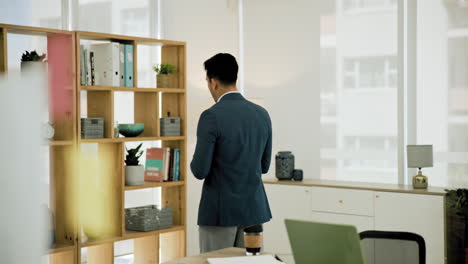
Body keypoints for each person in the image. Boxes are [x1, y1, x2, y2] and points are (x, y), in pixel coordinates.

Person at [190, 53, 273, 253]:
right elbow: (264, 166)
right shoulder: (262, 114)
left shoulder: (211, 116)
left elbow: (199, 170)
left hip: (220, 213)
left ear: (213, 82)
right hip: (254, 211)